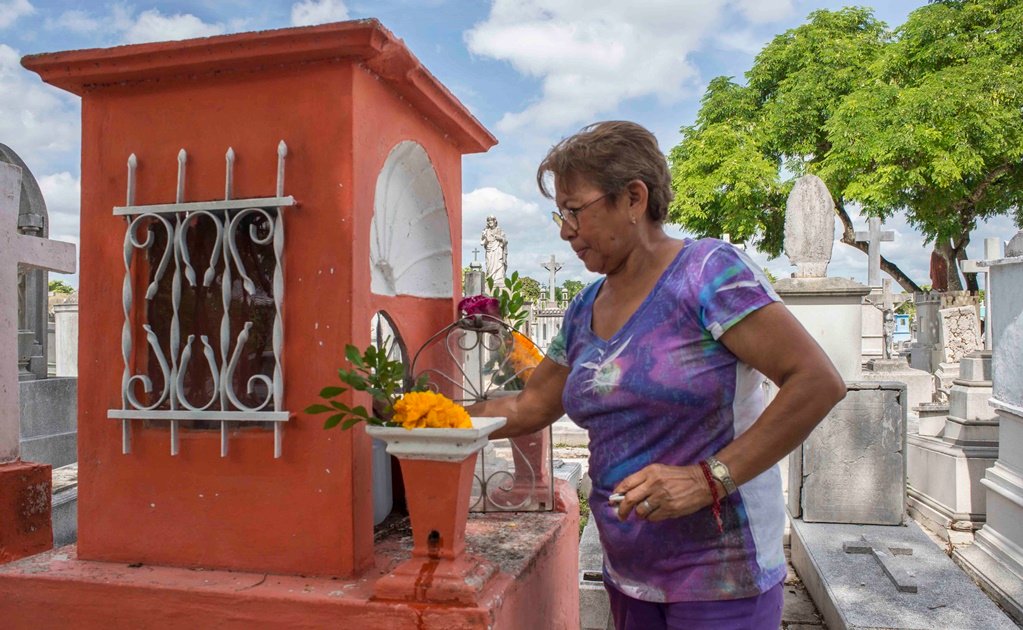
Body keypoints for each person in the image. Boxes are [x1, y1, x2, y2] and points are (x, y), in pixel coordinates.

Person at [469, 121, 846, 630]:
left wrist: (707, 479)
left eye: (574, 211)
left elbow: (816, 381)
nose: (564, 231)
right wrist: (420, 415)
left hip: (720, 580)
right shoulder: (584, 308)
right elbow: (530, 406)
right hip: (629, 576)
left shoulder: (708, 272)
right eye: (560, 214)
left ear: (633, 198)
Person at [481, 215, 508, 285]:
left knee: (499, 264)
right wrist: (485, 238)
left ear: (495, 221)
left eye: (491, 221)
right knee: (489, 266)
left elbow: (505, 241)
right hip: (489, 250)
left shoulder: (499, 230)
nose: (490, 223)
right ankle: (490, 280)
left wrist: (500, 238)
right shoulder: (486, 231)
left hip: (498, 250)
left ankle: (499, 280)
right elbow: (484, 242)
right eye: (489, 221)